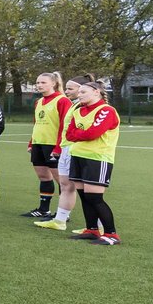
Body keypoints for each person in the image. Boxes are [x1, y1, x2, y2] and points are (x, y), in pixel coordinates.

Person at [63, 81, 121, 245]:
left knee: (94, 197)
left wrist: (80, 134)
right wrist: (82, 134)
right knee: (84, 196)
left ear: (96, 92)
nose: (79, 95)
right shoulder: (79, 111)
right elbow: (69, 135)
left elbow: (93, 134)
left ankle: (111, 234)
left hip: (98, 158)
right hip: (78, 156)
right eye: (79, 92)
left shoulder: (106, 110)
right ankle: (91, 230)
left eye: (83, 92)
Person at [35, 74, 91, 232]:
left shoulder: (93, 108)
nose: (66, 91)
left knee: (88, 189)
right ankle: (60, 220)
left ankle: (97, 226)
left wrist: (60, 146)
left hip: (82, 152)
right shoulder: (75, 105)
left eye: (70, 88)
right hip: (67, 149)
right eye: (66, 88)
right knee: (66, 185)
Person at [24, 72, 73, 218]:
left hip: (53, 146)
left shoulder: (62, 100)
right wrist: (32, 142)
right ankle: (43, 209)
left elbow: (65, 125)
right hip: (39, 144)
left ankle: (63, 213)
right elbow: (36, 124)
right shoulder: (38, 102)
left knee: (62, 181)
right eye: (37, 83)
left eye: (43, 82)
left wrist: (58, 147)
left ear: (53, 83)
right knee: (43, 177)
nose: (39, 85)